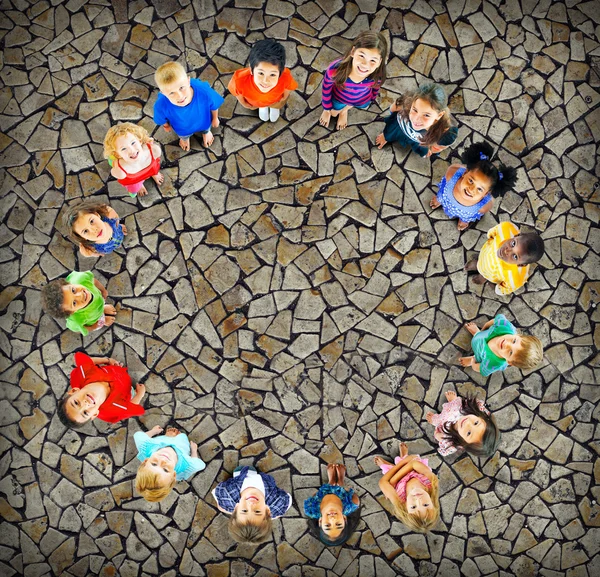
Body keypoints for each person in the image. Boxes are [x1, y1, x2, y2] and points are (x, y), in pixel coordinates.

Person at [430, 141, 517, 230]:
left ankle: (464, 220)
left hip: (466, 213)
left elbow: (489, 204)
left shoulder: (483, 207)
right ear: (465, 173)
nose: (471, 189)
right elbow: (453, 167)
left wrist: (465, 219)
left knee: (466, 217)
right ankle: (439, 200)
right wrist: (440, 198)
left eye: (480, 189)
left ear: (486, 193)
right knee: (441, 196)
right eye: (471, 181)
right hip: (446, 197)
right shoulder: (452, 176)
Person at [319, 31, 388, 131]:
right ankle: (341, 110)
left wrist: (372, 98)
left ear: (379, 62)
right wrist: (326, 108)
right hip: (339, 97)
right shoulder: (335, 70)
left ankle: (344, 111)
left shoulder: (378, 76)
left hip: (361, 99)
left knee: (350, 106)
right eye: (361, 56)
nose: (365, 64)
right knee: (333, 113)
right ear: (353, 52)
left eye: (373, 60)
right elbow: (326, 89)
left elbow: (376, 87)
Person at [56, 353, 145, 428]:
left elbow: (85, 359)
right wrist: (139, 395)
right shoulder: (115, 409)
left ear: (74, 391)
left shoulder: (82, 373)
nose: (85, 404)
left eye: (76, 403)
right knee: (130, 393)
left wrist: (106, 360)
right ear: (94, 414)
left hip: (112, 369)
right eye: (85, 413)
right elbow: (131, 408)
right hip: (126, 389)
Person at [153, 61, 224, 151]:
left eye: (181, 88)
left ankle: (206, 132)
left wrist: (215, 118)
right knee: (184, 135)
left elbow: (214, 105)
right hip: (182, 129)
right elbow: (161, 117)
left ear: (188, 81)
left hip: (204, 122)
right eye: (171, 93)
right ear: (163, 93)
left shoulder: (204, 92)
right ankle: (185, 139)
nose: (180, 96)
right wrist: (166, 126)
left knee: (206, 127)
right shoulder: (161, 105)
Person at [212, 465, 292, 544]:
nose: (251, 504)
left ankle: (242, 472)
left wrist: (227, 510)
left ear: (236, 508)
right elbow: (287, 502)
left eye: (244, 510)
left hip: (240, 477)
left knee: (239, 471)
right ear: (268, 511)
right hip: (266, 481)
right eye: (257, 511)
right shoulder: (277, 503)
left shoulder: (227, 494)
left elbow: (219, 500)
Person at [375, 83, 458, 158]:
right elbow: (393, 108)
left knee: (422, 149)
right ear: (411, 103)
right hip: (400, 127)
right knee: (389, 133)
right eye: (415, 110)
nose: (416, 119)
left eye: (426, 115)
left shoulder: (444, 130)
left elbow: (443, 145)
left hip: (418, 141)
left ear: (439, 115)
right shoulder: (405, 104)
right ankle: (386, 137)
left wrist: (432, 148)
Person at [465, 221, 545, 295]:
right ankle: (478, 264)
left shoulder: (516, 278)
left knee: (485, 273)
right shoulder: (505, 228)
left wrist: (497, 289)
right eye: (513, 243)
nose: (507, 251)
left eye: (515, 256)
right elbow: (491, 233)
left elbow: (503, 290)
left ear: (521, 265)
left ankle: (483, 276)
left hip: (491, 274)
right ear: (516, 235)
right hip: (485, 253)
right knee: (482, 260)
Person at [228, 38, 298, 123]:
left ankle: (273, 108)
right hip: (255, 103)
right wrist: (245, 104)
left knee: (274, 106)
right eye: (261, 73)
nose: (265, 81)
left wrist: (283, 100)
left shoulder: (285, 76)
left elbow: (288, 87)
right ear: (251, 69)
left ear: (280, 73)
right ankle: (262, 107)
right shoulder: (238, 80)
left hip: (274, 102)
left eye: (272, 75)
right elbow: (236, 92)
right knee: (262, 105)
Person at [376, 442, 439, 533]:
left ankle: (393, 464)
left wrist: (394, 478)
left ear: (406, 508)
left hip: (403, 471)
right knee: (410, 459)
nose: (418, 500)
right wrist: (393, 480)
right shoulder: (432, 483)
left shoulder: (400, 501)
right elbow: (413, 462)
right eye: (425, 505)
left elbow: (382, 483)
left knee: (390, 470)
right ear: (432, 502)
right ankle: (402, 458)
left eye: (413, 507)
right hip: (406, 469)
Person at [135, 425, 205, 502]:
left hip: (160, 441)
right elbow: (200, 464)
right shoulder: (187, 465)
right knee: (182, 437)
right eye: (165, 469)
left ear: (145, 461)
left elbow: (138, 435)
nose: (162, 460)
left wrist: (153, 431)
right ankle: (178, 438)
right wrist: (194, 451)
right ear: (174, 475)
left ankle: (167, 437)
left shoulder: (146, 447)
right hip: (182, 445)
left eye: (154, 464)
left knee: (165, 438)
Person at [459, 315, 543, 376]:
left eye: (510, 352)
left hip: (480, 353)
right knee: (479, 336)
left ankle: (472, 357)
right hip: (482, 335)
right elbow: (494, 320)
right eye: (514, 341)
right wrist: (482, 330)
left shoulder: (493, 363)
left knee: (478, 357)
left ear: (509, 362)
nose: (506, 344)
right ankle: (477, 333)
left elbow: (480, 369)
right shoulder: (506, 326)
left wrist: (473, 362)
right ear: (518, 335)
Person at [426, 391, 500, 458]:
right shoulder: (470, 409)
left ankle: (434, 420)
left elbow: (440, 437)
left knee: (438, 423)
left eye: (468, 433)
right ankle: (452, 402)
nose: (467, 423)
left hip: (445, 424)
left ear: (464, 443)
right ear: (482, 417)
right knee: (455, 404)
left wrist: (438, 435)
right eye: (476, 423)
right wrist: (454, 402)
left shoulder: (450, 439)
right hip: (458, 409)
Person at [304, 463, 361, 547]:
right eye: (338, 524)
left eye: (327, 525)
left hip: (323, 494)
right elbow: (353, 495)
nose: (333, 519)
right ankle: (340, 480)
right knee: (346, 492)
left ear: (320, 521)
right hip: (342, 494)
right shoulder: (352, 503)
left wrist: (328, 488)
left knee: (325, 489)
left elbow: (315, 495)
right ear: (344, 518)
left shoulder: (312, 509)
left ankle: (331, 481)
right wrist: (342, 487)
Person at [41, 271, 115, 335]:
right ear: (72, 312)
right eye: (74, 303)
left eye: (73, 290)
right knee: (99, 316)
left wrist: (103, 291)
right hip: (95, 318)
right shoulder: (76, 320)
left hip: (99, 298)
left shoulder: (80, 278)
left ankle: (103, 308)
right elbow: (79, 329)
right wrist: (96, 325)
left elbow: (92, 281)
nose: (80, 296)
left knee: (100, 304)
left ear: (68, 283)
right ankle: (103, 317)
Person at [103, 122, 163, 199]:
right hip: (135, 180)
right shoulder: (121, 171)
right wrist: (116, 165)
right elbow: (114, 172)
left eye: (133, 143)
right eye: (123, 149)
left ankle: (153, 174)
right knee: (135, 187)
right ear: (117, 155)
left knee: (153, 169)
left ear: (140, 141)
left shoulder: (154, 151)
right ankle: (140, 184)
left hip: (150, 169)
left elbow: (156, 157)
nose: (132, 150)